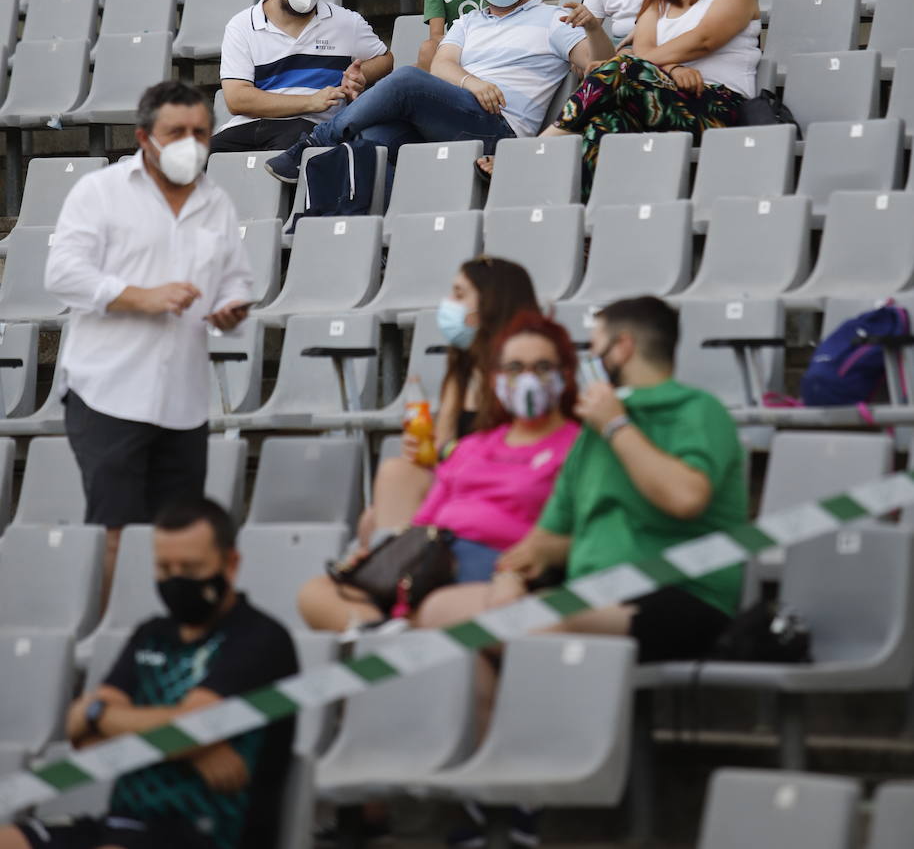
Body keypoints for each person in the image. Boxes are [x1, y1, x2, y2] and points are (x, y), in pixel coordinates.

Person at [44, 81, 253, 599]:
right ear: (144, 136)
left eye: (201, 132)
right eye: (176, 132)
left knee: (178, 539)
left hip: (184, 401)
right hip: (108, 391)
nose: (191, 142)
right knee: (115, 533)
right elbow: (63, 274)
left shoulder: (218, 203)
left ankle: (163, 640)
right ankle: (107, 643)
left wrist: (231, 308)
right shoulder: (100, 192)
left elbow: (236, 279)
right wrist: (141, 296)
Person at [0, 498, 299, 849]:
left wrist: (108, 718)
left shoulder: (259, 638)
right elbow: (79, 729)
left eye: (189, 568)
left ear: (230, 564)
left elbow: (191, 728)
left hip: (205, 830)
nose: (175, 580)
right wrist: (186, 744)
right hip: (121, 823)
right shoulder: (151, 634)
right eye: (164, 568)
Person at [495, 296, 748, 658]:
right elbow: (543, 541)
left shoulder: (698, 410)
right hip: (593, 593)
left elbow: (686, 498)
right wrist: (510, 579)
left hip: (682, 595)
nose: (588, 362)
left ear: (622, 348)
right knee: (452, 620)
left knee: (530, 628)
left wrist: (617, 425)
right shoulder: (591, 434)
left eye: (595, 347)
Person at [296, 310, 580, 633]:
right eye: (514, 368)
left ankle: (392, 638)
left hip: (497, 570)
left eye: (542, 367)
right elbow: (423, 523)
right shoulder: (473, 446)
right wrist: (382, 557)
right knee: (316, 594)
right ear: (495, 378)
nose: (527, 379)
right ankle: (385, 633)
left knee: (437, 609)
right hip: (433, 562)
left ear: (566, 374)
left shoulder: (577, 446)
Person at [263, 0, 613, 187]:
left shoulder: (552, 19)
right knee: (373, 139)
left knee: (407, 81)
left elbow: (598, 66)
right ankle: (379, 240)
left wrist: (595, 30)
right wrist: (474, 83)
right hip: (455, 113)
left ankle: (315, 140)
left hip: (500, 129)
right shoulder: (469, 21)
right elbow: (443, 65)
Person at [544, 0, 760, 197]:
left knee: (622, 67)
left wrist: (627, 61)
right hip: (663, 95)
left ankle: (541, 146)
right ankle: (589, 226)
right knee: (604, 124)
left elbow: (704, 40)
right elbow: (644, 50)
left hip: (719, 105)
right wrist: (672, 69)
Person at [360, 256, 540, 546]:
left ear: (491, 304)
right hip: (460, 485)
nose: (447, 303)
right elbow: (442, 448)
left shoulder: (525, 373)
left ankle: (397, 582)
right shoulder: (464, 367)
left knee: (396, 478)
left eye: (458, 294)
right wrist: (425, 448)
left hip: (501, 490)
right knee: (371, 517)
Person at [212, 0, 393, 154]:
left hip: (311, 128)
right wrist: (310, 101)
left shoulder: (346, 22)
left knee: (281, 158)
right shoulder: (241, 25)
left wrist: (361, 73)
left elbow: (385, 59)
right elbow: (237, 99)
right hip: (247, 127)